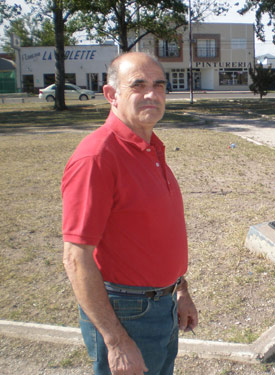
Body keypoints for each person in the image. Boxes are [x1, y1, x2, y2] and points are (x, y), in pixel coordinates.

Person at [61, 52, 198, 375]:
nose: (152, 94)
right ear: (112, 94)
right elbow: (75, 258)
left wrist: (180, 290)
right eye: (138, 85)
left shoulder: (150, 147)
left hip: (162, 304)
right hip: (126, 311)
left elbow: (156, 233)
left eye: (159, 85)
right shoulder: (97, 157)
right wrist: (116, 341)